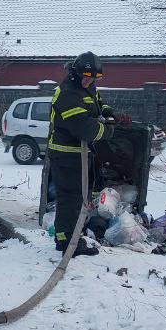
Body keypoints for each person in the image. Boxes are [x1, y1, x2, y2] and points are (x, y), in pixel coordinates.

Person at [47, 51, 115, 257]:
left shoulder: (86, 87)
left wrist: (108, 112)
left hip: (79, 153)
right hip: (66, 154)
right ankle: (68, 242)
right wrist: (108, 131)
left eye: (93, 78)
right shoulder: (68, 93)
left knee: (77, 197)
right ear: (76, 73)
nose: (89, 81)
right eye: (86, 77)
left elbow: (96, 101)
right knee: (71, 198)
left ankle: (69, 237)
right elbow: (83, 127)